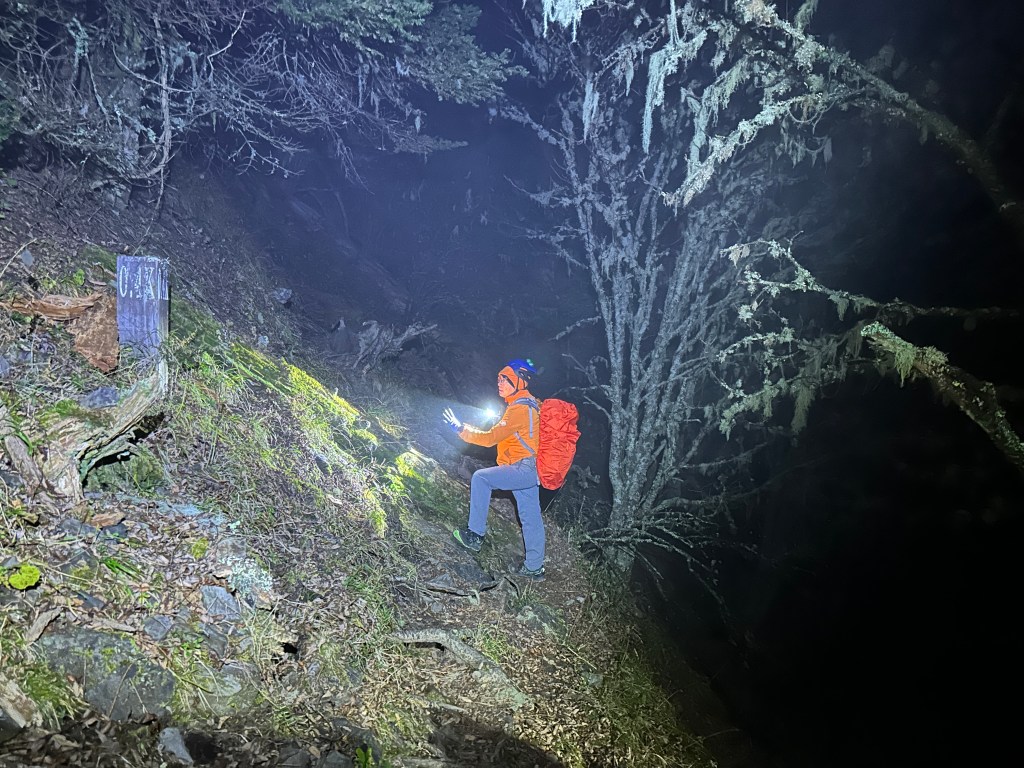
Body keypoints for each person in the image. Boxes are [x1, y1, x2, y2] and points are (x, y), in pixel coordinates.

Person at [443, 359, 546, 580]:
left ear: (518, 381)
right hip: (530, 469)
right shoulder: (530, 406)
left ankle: (474, 536)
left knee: (481, 478)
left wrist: (461, 429)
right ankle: (534, 568)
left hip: (522, 467)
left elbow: (490, 438)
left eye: (505, 379)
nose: (499, 383)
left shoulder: (519, 409)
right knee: (531, 517)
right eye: (499, 379)